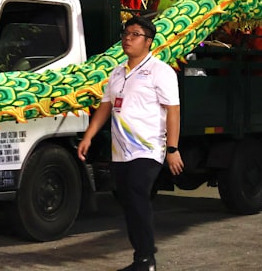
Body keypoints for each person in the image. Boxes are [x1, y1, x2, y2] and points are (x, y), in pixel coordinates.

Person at [77, 15, 183, 271]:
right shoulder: (116, 72)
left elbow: (173, 111)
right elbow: (105, 106)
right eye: (126, 33)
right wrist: (89, 136)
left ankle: (146, 258)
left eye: (135, 34)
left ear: (148, 41)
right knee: (129, 202)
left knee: (137, 196)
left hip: (147, 150)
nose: (128, 38)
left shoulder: (161, 71)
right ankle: (142, 257)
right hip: (120, 151)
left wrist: (173, 148)